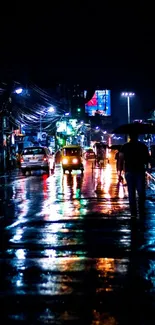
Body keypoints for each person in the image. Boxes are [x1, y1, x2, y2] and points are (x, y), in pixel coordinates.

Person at [118, 133, 150, 217]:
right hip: (139, 171)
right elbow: (147, 159)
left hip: (129, 171)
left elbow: (120, 160)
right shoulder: (142, 146)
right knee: (141, 192)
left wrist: (119, 173)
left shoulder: (125, 146)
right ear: (137, 137)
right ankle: (141, 210)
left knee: (131, 192)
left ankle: (133, 213)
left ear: (129, 137)